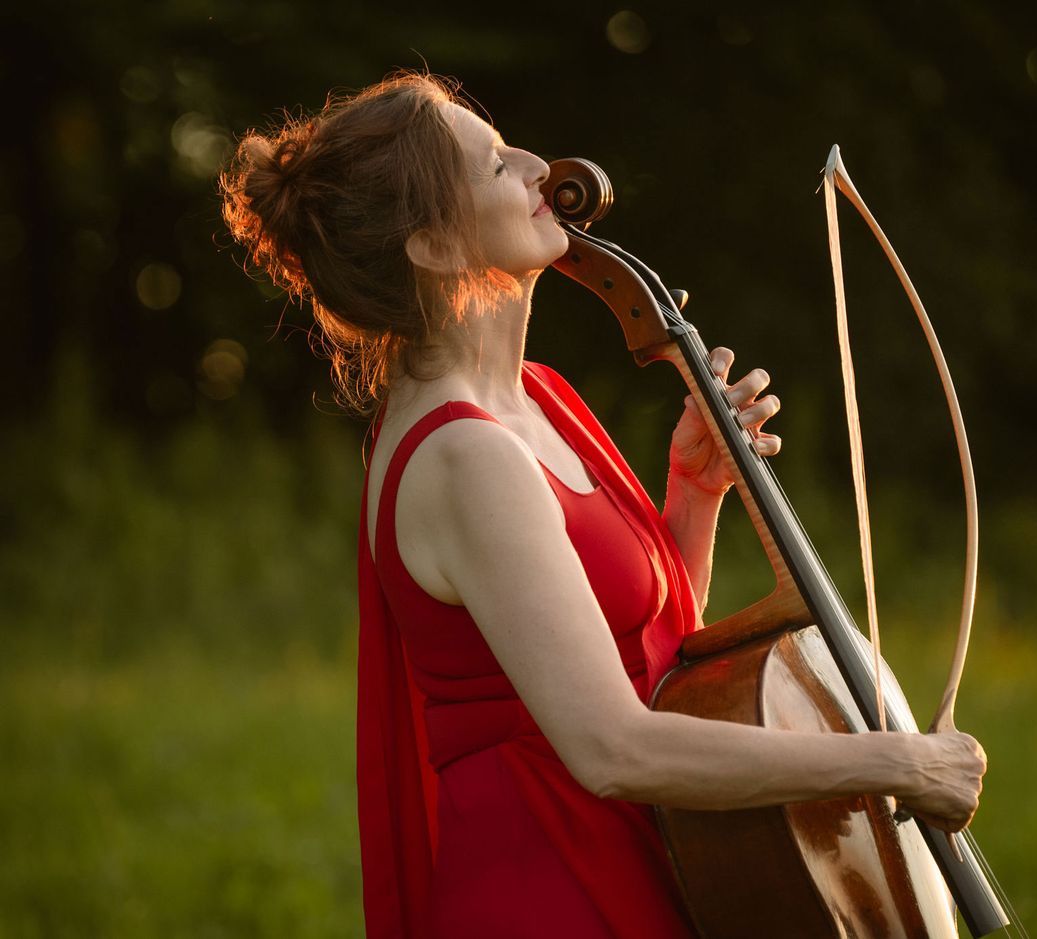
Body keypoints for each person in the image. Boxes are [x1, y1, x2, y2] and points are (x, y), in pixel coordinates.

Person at [217, 71, 986, 938]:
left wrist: (693, 498)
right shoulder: (465, 455)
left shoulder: (539, 398)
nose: (540, 167)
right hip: (557, 892)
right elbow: (615, 745)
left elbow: (649, 670)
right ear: (432, 245)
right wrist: (893, 763)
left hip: (647, 861)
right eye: (497, 166)